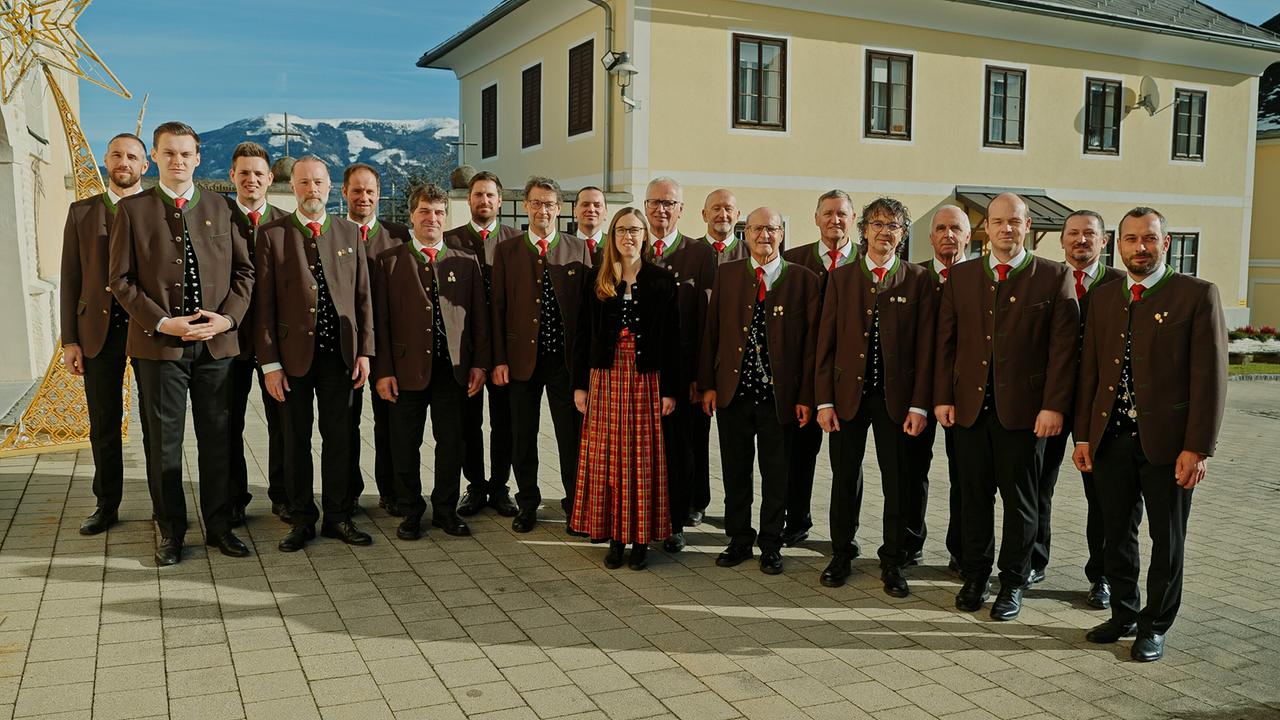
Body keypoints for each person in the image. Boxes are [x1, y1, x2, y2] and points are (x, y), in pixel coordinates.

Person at [1074, 207, 1226, 662]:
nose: (1140, 247)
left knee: (1168, 538)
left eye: (1149, 238)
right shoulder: (1104, 297)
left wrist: (1197, 447)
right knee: (1115, 534)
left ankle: (1155, 625)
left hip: (1169, 445)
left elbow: (1210, 379)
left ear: (1166, 242)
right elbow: (1090, 373)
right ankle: (1123, 614)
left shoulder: (1196, 295)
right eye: (1131, 239)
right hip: (1111, 440)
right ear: (1118, 245)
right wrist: (1083, 437)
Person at [108, 121, 254, 566]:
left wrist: (227, 318)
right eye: (169, 153)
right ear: (154, 157)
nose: (178, 161)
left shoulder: (223, 208)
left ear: (198, 158)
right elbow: (120, 280)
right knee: (163, 444)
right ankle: (170, 531)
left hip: (215, 347)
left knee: (218, 440)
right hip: (160, 348)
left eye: (186, 153)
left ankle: (220, 527)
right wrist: (162, 322)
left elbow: (245, 273)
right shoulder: (132, 210)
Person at [934, 192, 1078, 620]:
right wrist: (943, 396)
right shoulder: (961, 277)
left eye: (1014, 221)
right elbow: (946, 343)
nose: (1006, 229)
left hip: (1025, 415)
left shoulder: (1054, 276)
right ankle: (976, 575)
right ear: (986, 227)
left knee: (1021, 504)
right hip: (970, 411)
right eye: (997, 221)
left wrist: (1053, 406)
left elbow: (1063, 350)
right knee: (973, 500)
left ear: (1027, 226)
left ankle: (1013, 582)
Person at [814, 197, 934, 596]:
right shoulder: (841, 278)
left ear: (903, 234)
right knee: (844, 477)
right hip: (848, 397)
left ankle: (894, 560)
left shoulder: (918, 280)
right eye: (878, 224)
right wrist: (824, 401)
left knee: (897, 481)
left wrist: (919, 404)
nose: (885, 231)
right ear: (864, 230)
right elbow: (825, 343)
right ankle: (841, 553)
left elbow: (926, 348)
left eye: (893, 226)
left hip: (897, 401)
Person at [255, 156, 374, 552]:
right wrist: (270, 364)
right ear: (292, 187)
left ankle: (338, 517)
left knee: (340, 439)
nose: (312, 190)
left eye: (318, 182)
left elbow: (363, 298)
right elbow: (263, 306)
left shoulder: (348, 232)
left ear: (330, 186)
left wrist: (365, 352)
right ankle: (302, 518)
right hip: (292, 361)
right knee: (295, 440)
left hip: (340, 358)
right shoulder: (272, 235)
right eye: (304, 183)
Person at [700, 207, 819, 575]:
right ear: (745, 234)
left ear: (781, 234)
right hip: (733, 393)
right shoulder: (728, 274)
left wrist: (806, 396)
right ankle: (738, 539)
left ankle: (770, 543)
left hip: (779, 399)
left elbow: (812, 345)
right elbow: (712, 331)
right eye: (756, 229)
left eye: (771, 229)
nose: (764, 235)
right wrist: (708, 385)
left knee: (776, 474)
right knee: (736, 471)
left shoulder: (803, 279)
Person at [373, 183, 489, 540]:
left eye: (439, 212)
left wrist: (480, 364)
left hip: (452, 370)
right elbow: (380, 322)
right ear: (412, 216)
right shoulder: (390, 261)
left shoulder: (465, 261)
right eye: (425, 211)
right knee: (404, 444)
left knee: (451, 443)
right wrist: (384, 371)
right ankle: (411, 510)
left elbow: (479, 318)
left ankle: (445, 510)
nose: (432, 218)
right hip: (405, 370)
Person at [570, 207, 681, 570]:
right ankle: (615, 538)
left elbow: (674, 339)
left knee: (642, 459)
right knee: (608, 458)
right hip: (605, 376)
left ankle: (641, 539)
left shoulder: (662, 280)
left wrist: (670, 390)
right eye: (621, 230)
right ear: (612, 236)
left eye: (634, 230)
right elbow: (582, 333)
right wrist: (579, 385)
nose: (627, 236)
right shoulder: (597, 278)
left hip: (646, 378)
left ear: (645, 236)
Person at [491, 176, 593, 533]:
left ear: (559, 209)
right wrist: (499, 359)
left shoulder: (578, 249)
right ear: (526, 206)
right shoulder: (507, 251)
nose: (542, 210)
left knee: (571, 437)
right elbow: (497, 309)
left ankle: (575, 504)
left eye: (549, 204)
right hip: (521, 360)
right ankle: (527, 503)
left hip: (564, 363)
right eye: (536, 203)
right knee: (523, 436)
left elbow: (586, 313)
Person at [1033, 209, 1125, 606]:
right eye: (1073, 233)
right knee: (1038, 486)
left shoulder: (1120, 284)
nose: (1081, 240)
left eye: (1090, 233)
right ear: (1062, 240)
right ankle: (1034, 560)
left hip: (1099, 406)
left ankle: (1102, 575)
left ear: (1104, 241)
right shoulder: (1045, 280)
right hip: (1050, 401)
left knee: (1102, 494)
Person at [61, 132, 150, 536]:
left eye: (132, 156)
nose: (123, 162)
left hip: (146, 328)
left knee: (156, 425)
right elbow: (70, 278)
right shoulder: (82, 212)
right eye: (116, 155)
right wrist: (70, 339)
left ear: (144, 165)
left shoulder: (156, 210)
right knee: (103, 423)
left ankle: (163, 504)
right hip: (97, 331)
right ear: (106, 160)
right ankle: (106, 505)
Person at [780, 190, 859, 548]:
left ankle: (846, 534)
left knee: (847, 463)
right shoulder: (794, 260)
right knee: (799, 453)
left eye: (841, 214)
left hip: (850, 378)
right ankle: (796, 520)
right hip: (805, 375)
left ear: (853, 219)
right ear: (816, 218)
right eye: (827, 213)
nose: (834, 220)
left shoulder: (865, 261)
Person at [444, 171, 522, 518]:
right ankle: (475, 485)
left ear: (500, 201)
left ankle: (500, 486)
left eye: (490, 195)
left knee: (505, 423)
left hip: (506, 349)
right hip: (466, 349)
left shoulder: (515, 241)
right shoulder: (451, 240)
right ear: (469, 199)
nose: (484, 200)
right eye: (478, 195)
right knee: (467, 423)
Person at [644, 177, 714, 552]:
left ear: (681, 210)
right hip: (639, 374)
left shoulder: (699, 254)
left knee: (682, 449)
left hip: (685, 375)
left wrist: (702, 376)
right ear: (645, 206)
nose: (661, 209)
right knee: (644, 450)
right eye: (655, 202)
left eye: (669, 203)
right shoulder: (631, 247)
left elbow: (708, 321)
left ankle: (678, 519)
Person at [225, 141, 289, 524]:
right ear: (232, 176)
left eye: (258, 173)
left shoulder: (286, 224)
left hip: (276, 344)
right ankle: (234, 498)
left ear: (270, 178)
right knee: (229, 424)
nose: (251, 179)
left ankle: (283, 495)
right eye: (244, 172)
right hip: (229, 341)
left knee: (282, 424)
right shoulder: (217, 218)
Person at [343, 163, 412, 514]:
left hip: (389, 345)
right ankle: (349, 493)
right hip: (348, 345)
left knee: (391, 424)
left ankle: (392, 491)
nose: (364, 197)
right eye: (357, 190)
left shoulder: (399, 235)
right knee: (346, 423)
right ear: (344, 193)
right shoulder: (334, 233)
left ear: (379, 195)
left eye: (370, 191)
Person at [909, 205, 971, 571]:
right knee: (912, 470)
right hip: (916, 392)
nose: (949, 235)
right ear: (930, 236)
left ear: (967, 236)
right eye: (941, 228)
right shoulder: (914, 276)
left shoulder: (978, 278)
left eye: (956, 229)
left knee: (964, 474)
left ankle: (961, 551)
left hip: (961, 395)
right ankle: (909, 543)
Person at [687, 188, 745, 524]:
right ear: (704, 214)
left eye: (729, 209)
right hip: (699, 360)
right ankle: (697, 499)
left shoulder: (751, 252)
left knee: (736, 445)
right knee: (696, 437)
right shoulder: (692, 251)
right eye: (716, 208)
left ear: (737, 215)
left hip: (737, 364)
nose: (722, 214)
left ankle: (737, 513)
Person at [574, 186, 607, 260]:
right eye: (585, 205)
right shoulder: (562, 246)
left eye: (597, 205)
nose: (591, 209)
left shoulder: (615, 245)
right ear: (574, 211)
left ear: (606, 212)